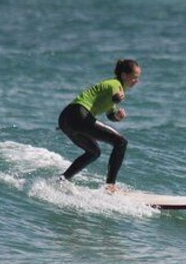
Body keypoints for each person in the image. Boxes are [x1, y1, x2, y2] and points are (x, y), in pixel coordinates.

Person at [58, 59, 142, 191]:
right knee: (121, 143)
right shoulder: (115, 84)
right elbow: (115, 97)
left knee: (94, 152)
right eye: (135, 77)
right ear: (124, 75)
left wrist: (117, 116)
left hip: (66, 119)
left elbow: (110, 114)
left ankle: (62, 180)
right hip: (79, 114)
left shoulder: (113, 86)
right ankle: (110, 186)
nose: (137, 81)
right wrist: (118, 98)